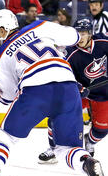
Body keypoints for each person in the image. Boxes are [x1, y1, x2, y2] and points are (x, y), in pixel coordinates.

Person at [0, 9, 106, 176]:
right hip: (68, 86)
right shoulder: (39, 26)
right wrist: (57, 45)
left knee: (5, 136)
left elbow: (8, 96)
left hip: (36, 90)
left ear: (3, 30)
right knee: (67, 148)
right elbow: (74, 36)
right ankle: (87, 163)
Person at [38, 18, 108, 163]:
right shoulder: (69, 53)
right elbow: (63, 74)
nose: (80, 37)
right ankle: (53, 148)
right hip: (80, 92)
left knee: (102, 130)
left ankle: (91, 141)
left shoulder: (103, 43)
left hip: (103, 93)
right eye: (77, 33)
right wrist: (76, 86)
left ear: (90, 34)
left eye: (83, 33)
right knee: (55, 115)